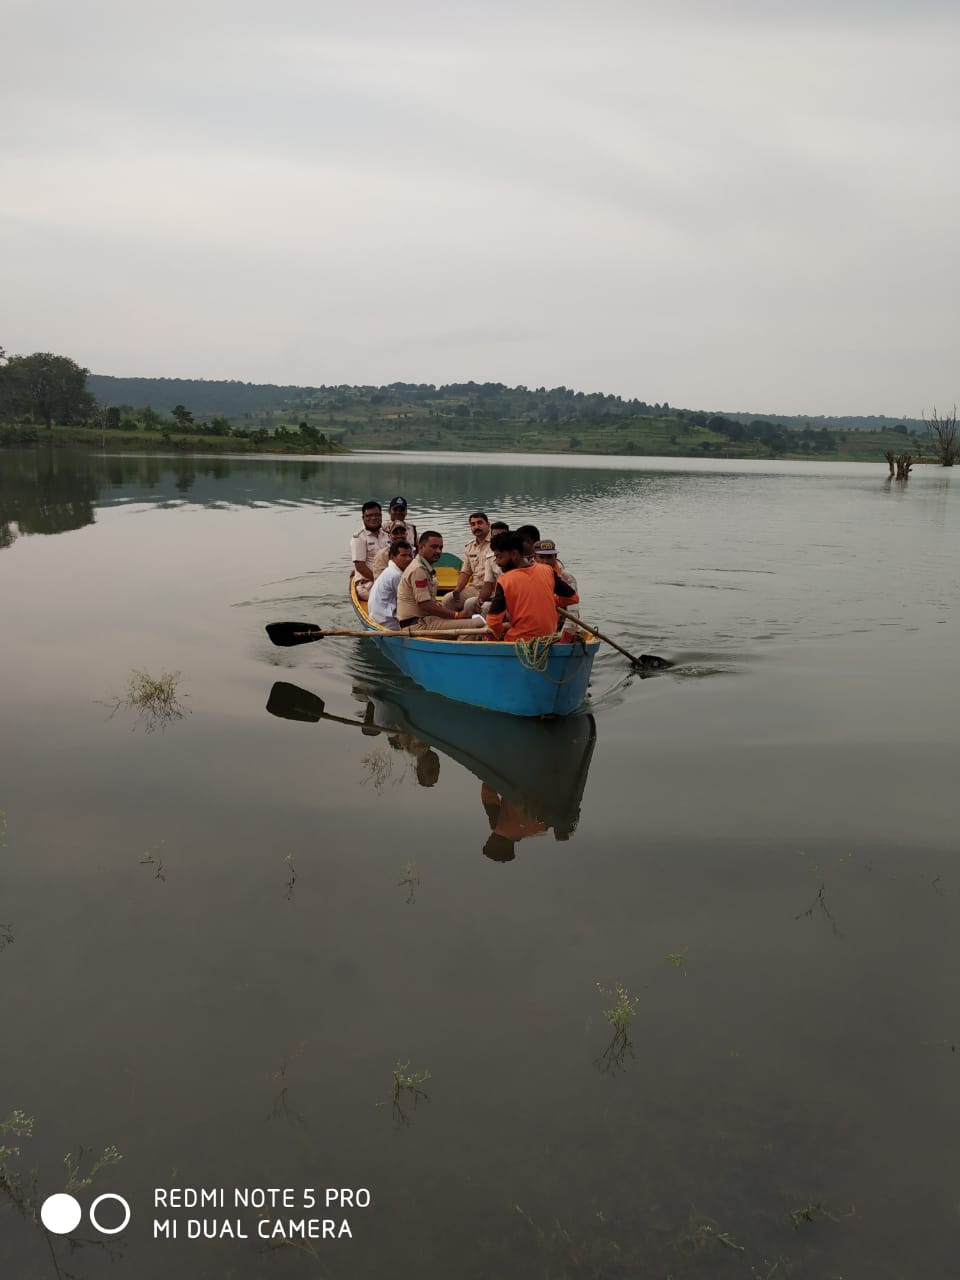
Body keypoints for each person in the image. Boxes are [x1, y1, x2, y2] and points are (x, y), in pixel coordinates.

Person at [485, 532, 579, 642]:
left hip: (518, 642)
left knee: (487, 635)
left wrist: (499, 632)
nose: (497, 562)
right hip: (548, 639)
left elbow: (493, 622)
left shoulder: (504, 580)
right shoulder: (548, 571)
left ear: (514, 554)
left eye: (499, 557)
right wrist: (547, 600)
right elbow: (573, 598)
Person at [396, 531, 486, 636]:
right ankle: (460, 651)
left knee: (468, 618)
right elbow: (425, 604)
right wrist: (457, 615)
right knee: (477, 623)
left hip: (425, 620)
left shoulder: (422, 566)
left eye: (441, 548)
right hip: (418, 625)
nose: (438, 551)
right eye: (434, 547)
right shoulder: (418, 569)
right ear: (421, 547)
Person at [533, 538, 580, 641]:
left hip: (558, 627)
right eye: (542, 557)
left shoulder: (567, 578)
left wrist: (564, 639)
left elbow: (573, 612)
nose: (546, 561)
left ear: (555, 557)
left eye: (550, 557)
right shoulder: (528, 576)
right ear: (535, 557)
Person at [448, 511, 492, 617]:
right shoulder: (470, 547)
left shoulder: (496, 543)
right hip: (475, 588)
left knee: (470, 604)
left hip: (492, 588)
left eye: (480, 523)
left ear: (488, 524)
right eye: (473, 524)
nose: (476, 526)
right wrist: (457, 590)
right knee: (448, 600)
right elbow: (466, 571)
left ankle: (471, 630)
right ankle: (451, 628)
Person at [367, 540, 414, 629]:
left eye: (410, 555)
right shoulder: (396, 575)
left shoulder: (391, 571)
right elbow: (409, 601)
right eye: (403, 555)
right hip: (387, 623)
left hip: (377, 617)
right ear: (392, 557)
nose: (408, 559)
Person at [350, 501, 390, 600]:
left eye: (377, 515)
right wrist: (380, 581)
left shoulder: (387, 535)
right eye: (369, 515)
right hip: (368, 584)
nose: (373, 518)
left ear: (381, 516)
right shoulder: (359, 538)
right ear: (363, 518)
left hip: (388, 581)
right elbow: (360, 567)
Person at [477, 521, 509, 611]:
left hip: (511, 596)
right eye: (495, 536)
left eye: (502, 536)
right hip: (498, 595)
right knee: (471, 603)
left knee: (486, 607)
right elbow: (488, 584)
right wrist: (480, 599)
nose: (499, 539)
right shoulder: (490, 558)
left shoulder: (513, 556)